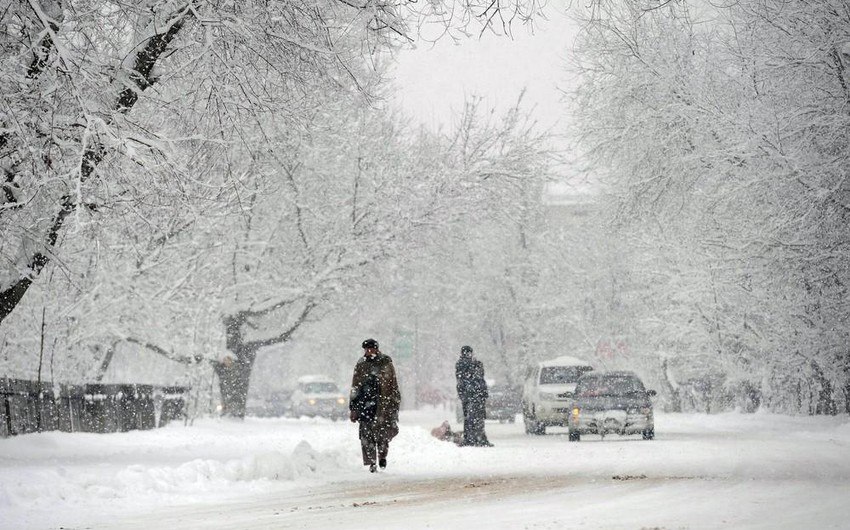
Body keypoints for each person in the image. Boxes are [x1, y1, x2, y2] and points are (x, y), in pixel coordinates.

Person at [349, 338, 401, 472]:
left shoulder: (385, 362)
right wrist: (353, 408)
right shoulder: (361, 364)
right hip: (365, 405)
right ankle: (372, 462)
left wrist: (393, 403)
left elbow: (392, 384)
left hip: (382, 405)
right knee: (366, 435)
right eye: (366, 349)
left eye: (371, 348)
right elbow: (355, 386)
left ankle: (382, 455)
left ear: (377, 349)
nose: (369, 351)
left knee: (382, 435)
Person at [455, 345, 492, 447]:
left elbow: (463, 381)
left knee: (470, 418)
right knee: (475, 418)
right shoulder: (467, 364)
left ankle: (472, 438)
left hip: (471, 395)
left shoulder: (463, 364)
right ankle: (477, 439)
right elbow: (475, 377)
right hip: (474, 395)